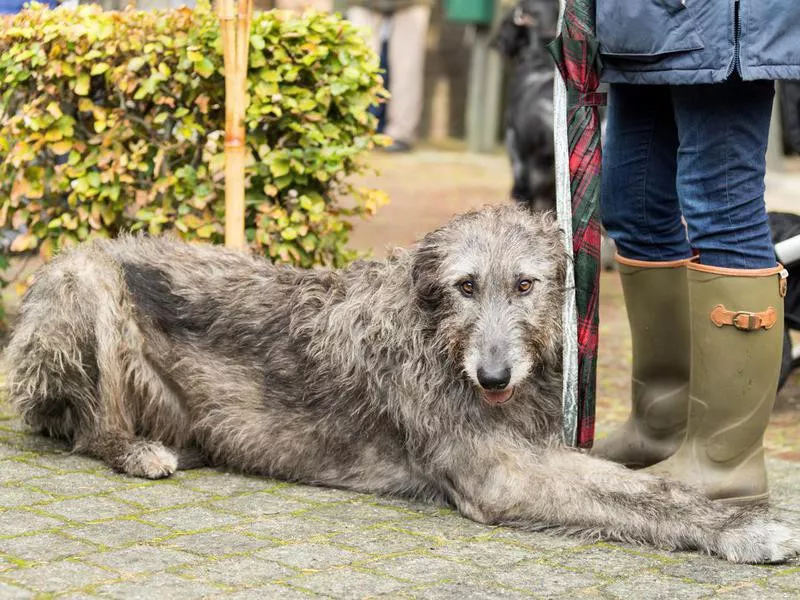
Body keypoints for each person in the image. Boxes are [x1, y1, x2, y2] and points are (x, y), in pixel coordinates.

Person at [591, 1, 800, 505]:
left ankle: (724, 459)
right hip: (642, 24)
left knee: (721, 207)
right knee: (633, 210)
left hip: (720, 20)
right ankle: (661, 423)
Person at [347, 0, 432, 152]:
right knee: (359, 64)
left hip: (411, 5)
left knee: (407, 68)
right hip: (361, 4)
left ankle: (401, 134)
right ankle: (356, 128)